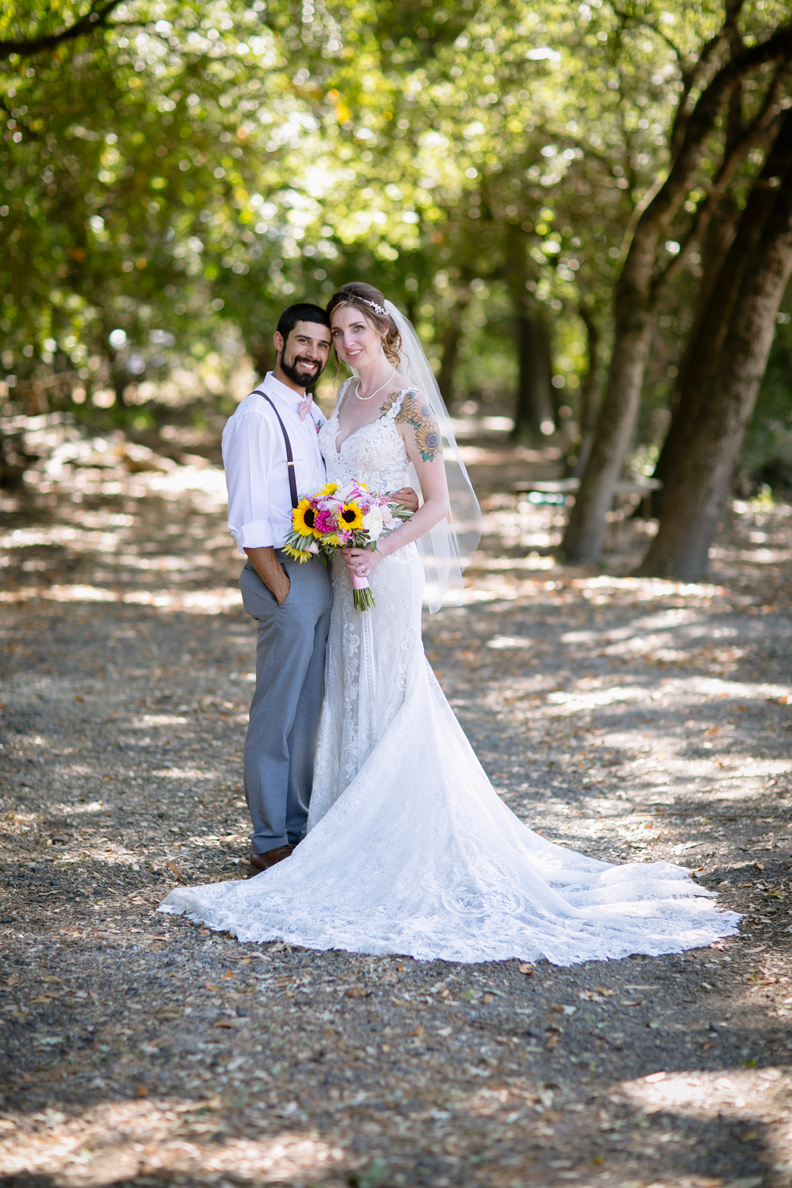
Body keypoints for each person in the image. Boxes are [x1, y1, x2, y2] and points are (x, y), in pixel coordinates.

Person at [161, 283, 740, 966]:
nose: (345, 345)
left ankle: (394, 835)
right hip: (344, 574)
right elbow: (330, 486)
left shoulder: (412, 405)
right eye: (336, 333)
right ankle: (338, 824)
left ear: (384, 331)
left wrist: (381, 542)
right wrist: (345, 525)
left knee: (391, 690)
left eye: (355, 331)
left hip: (388, 571)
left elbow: (438, 506)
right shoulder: (339, 402)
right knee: (344, 694)